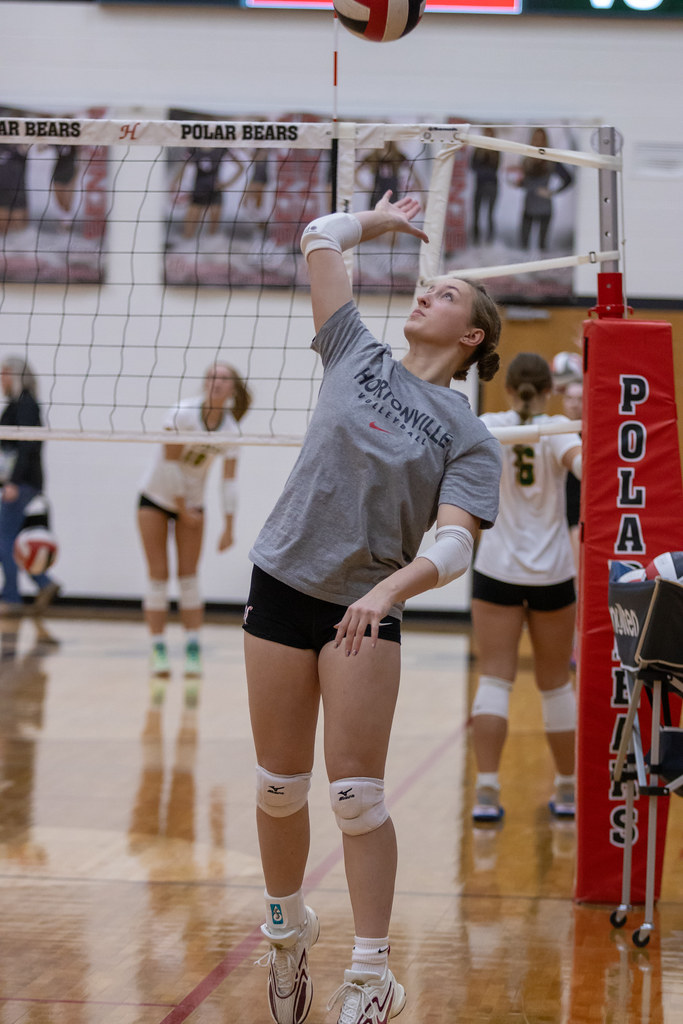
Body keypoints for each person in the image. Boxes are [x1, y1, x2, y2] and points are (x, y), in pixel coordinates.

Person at [243, 191, 503, 1024]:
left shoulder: (468, 434)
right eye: (428, 285)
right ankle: (286, 937)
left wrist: (389, 590)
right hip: (282, 583)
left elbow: (457, 543)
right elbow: (320, 236)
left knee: (355, 796)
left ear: (471, 338)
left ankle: (369, 975)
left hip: (366, 607)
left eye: (448, 292)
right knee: (279, 787)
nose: (426, 292)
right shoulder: (354, 350)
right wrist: (385, 222)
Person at [469, 352, 582, 825]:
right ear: (549, 389)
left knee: (495, 678)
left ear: (509, 389)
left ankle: (487, 792)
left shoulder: (488, 426)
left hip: (496, 569)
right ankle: (568, 791)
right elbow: (590, 474)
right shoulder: (558, 429)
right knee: (556, 684)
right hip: (553, 573)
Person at [137, 363, 251, 685]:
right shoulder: (181, 413)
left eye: (224, 378)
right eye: (212, 376)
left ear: (232, 388)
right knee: (158, 577)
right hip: (156, 498)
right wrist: (182, 508)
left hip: (193, 504)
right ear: (205, 383)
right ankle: (158, 648)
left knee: (188, 578)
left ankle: (192, 648)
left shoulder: (230, 429)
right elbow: (171, 463)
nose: (217, 382)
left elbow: (229, 482)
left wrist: (229, 525)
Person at [0, 357, 60, 617]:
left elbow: (26, 447)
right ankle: (44, 582)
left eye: (4, 373)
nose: (1, 379)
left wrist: (13, 482)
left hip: (22, 485)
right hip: (19, 483)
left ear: (16, 375)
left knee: (6, 540)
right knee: (14, 539)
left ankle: (11, 597)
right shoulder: (18, 403)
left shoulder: (26, 403)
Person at [513, 128, 573, 252]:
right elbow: (526, 182)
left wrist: (553, 192)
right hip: (529, 205)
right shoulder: (527, 160)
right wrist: (520, 183)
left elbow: (568, 178)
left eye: (540, 139)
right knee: (523, 245)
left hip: (544, 207)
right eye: (535, 138)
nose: (538, 141)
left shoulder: (550, 161)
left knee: (542, 246)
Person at [469, 128, 500, 246]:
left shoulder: (496, 150)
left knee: (490, 215)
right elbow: (473, 167)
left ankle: (489, 240)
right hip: (480, 185)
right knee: (476, 213)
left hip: (491, 186)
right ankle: (475, 240)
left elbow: (493, 169)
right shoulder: (478, 150)